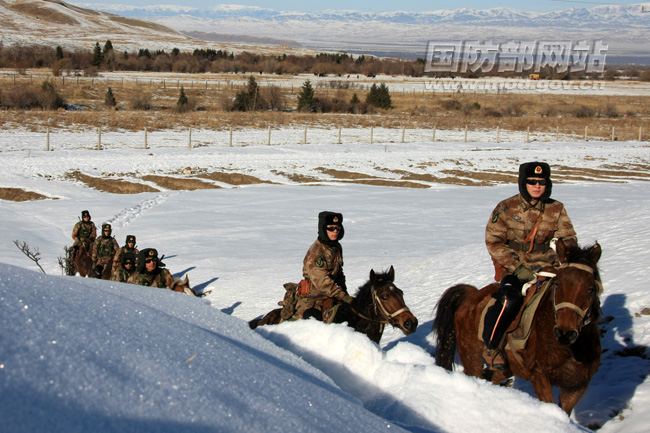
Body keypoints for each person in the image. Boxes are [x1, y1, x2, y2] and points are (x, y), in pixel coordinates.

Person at [482, 161, 577, 371]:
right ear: (523, 183)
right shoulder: (506, 207)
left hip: (548, 266)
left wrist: (561, 257)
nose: (537, 186)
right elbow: (493, 242)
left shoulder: (556, 209)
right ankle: (491, 346)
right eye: (532, 181)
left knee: (573, 296)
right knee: (509, 299)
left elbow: (568, 238)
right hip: (514, 267)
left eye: (541, 182)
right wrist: (517, 268)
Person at [294, 211, 353, 321]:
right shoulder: (316, 252)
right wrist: (342, 295)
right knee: (313, 320)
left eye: (338, 228)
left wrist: (345, 295)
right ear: (323, 229)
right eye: (330, 228)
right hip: (313, 298)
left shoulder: (337, 247)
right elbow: (321, 281)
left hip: (331, 295)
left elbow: (339, 273)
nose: (335, 231)